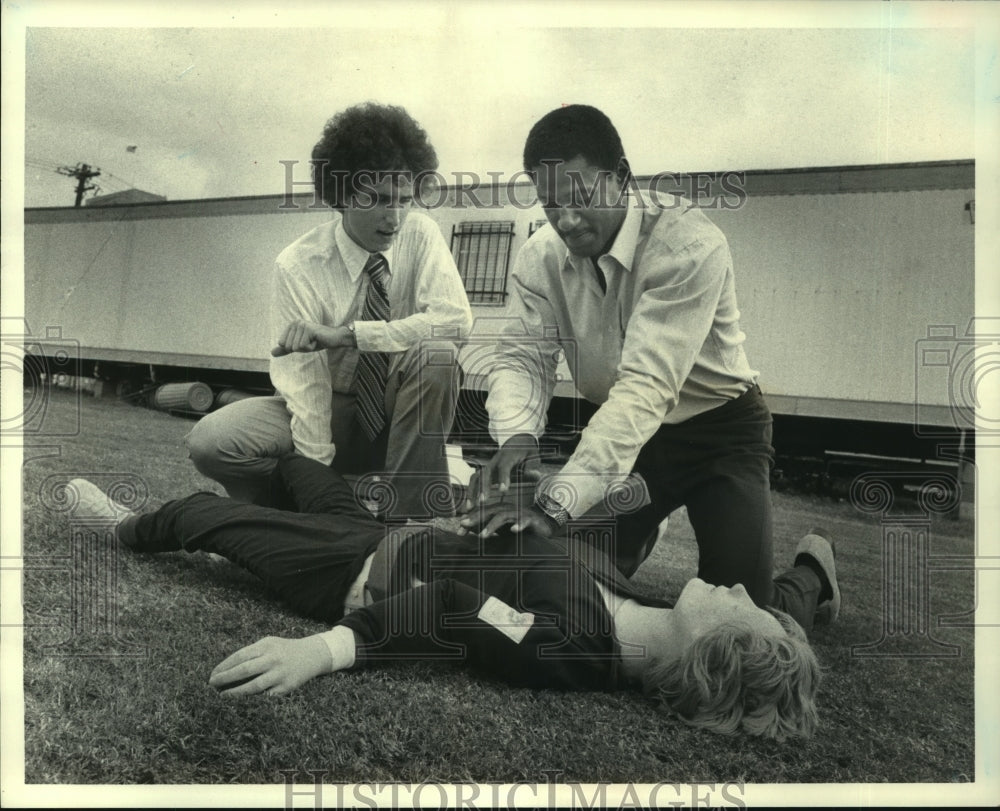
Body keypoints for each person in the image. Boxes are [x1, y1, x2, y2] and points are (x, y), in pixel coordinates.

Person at [67, 459, 837, 741]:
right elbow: (778, 624)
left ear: (714, 655)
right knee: (296, 465)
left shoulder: (565, 649)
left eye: (746, 606)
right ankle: (819, 577)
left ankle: (132, 527)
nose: (740, 585)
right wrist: (803, 586)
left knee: (207, 517)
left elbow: (448, 608)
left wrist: (321, 649)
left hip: (356, 570)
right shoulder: (657, 613)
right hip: (404, 527)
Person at [459, 104, 840, 629]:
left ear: (621, 177)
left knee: (739, 625)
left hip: (720, 436)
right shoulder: (538, 258)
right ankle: (634, 531)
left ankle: (811, 576)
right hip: (631, 443)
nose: (565, 220)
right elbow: (523, 355)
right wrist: (517, 434)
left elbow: (645, 389)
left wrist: (555, 504)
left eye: (581, 197)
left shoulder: (687, 245)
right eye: (550, 205)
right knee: (551, 579)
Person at [186, 102, 473, 518]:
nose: (394, 218)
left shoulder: (421, 235)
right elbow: (305, 387)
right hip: (331, 410)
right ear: (340, 195)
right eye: (376, 199)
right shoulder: (298, 264)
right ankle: (301, 508)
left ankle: (404, 522)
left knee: (439, 356)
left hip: (399, 415)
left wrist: (350, 335)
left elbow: (455, 321)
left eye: (404, 200)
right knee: (211, 441)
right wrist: (319, 491)